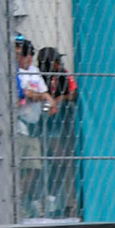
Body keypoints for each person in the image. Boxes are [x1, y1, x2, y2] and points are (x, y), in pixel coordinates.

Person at [14, 38, 51, 213]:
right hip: (19, 126)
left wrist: (48, 101)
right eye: (25, 57)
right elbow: (26, 94)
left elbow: (44, 93)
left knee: (34, 168)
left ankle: (20, 198)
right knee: (18, 167)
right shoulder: (15, 72)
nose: (28, 61)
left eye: (30, 57)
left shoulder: (34, 71)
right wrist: (39, 97)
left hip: (34, 125)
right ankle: (13, 201)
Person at [38, 46, 76, 217]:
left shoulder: (62, 74)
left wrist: (61, 98)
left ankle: (52, 196)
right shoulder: (38, 77)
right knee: (51, 160)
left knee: (61, 159)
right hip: (42, 125)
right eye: (55, 61)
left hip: (61, 124)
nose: (59, 64)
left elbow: (73, 92)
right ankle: (43, 197)